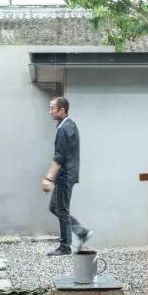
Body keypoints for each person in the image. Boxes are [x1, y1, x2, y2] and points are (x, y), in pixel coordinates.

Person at [42, 96, 91, 255]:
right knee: (55, 207)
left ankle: (65, 247)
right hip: (68, 174)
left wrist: (48, 178)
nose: (50, 111)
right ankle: (81, 232)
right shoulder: (70, 125)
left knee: (61, 210)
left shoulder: (63, 129)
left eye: (52, 108)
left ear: (62, 110)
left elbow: (59, 157)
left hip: (65, 175)